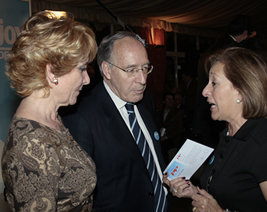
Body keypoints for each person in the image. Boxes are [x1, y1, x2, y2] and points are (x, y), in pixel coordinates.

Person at [1, 11, 97, 211]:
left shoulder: (51, 119)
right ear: (52, 71)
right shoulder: (31, 143)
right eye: (81, 69)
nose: (87, 79)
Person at [62, 31, 168, 212]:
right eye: (132, 70)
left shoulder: (145, 100)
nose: (142, 80)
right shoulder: (81, 117)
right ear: (107, 70)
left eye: (145, 68)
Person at [163, 47, 267, 212]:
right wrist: (193, 193)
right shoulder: (227, 135)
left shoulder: (262, 141)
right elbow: (230, 194)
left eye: (214, 83)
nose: (205, 91)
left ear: (241, 91)